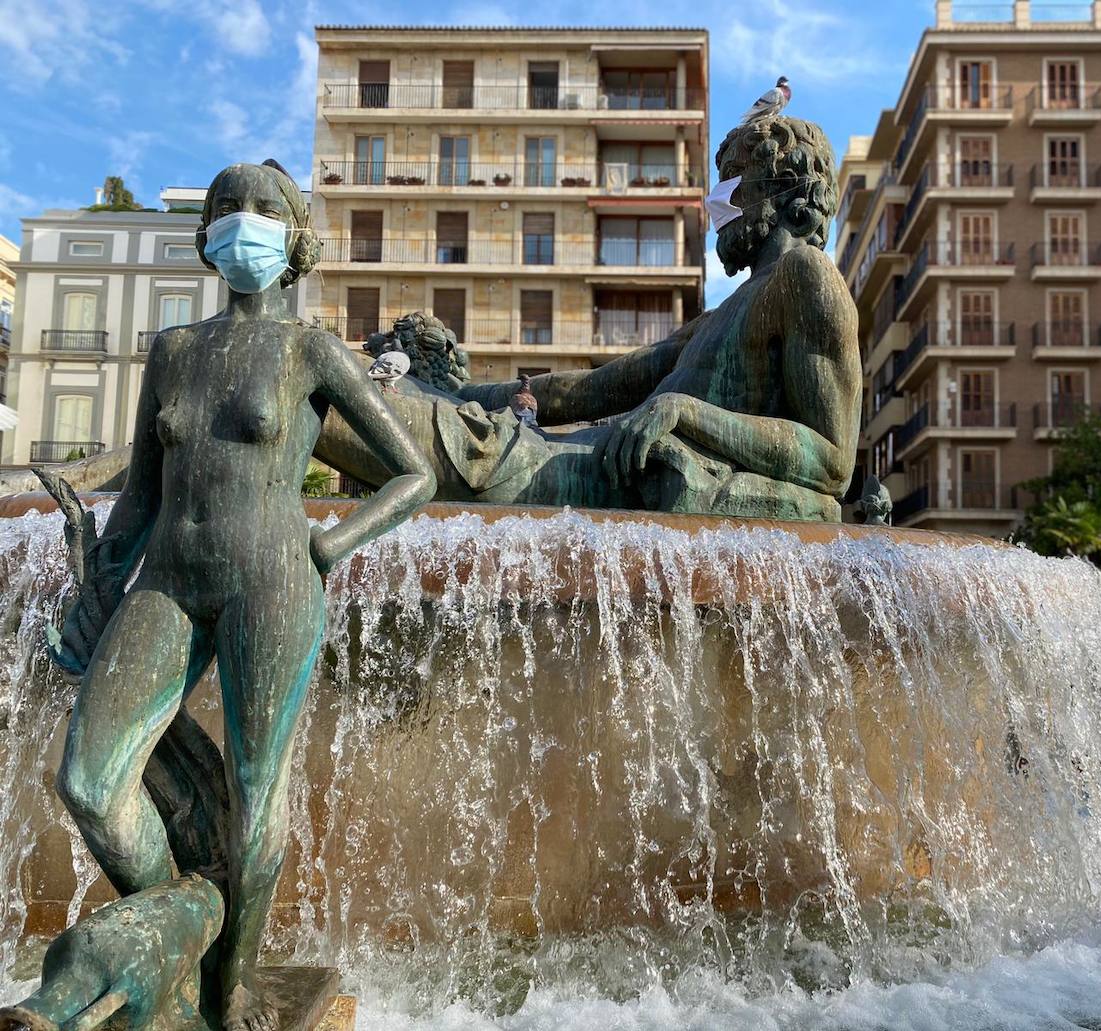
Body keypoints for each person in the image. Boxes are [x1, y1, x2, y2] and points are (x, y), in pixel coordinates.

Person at [51, 160, 436, 1031]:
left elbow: (413, 477)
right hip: (168, 582)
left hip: (273, 581)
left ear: (294, 239)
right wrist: (101, 583)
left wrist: (331, 542)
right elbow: (143, 496)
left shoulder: (311, 351)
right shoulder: (175, 351)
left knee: (257, 801)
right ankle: (183, 925)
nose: (240, 221)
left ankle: (235, 988)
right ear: (207, 233)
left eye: (263, 209)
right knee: (88, 780)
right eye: (226, 207)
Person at [312, 115, 862, 523]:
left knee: (468, 448)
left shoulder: (809, 278)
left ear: (784, 188)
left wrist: (685, 413)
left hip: (608, 474)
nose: (717, 200)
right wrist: (462, 391)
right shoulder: (722, 315)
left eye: (734, 176)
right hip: (592, 455)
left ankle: (312, 383)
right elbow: (592, 389)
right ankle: (335, 385)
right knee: (460, 420)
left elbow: (832, 461)